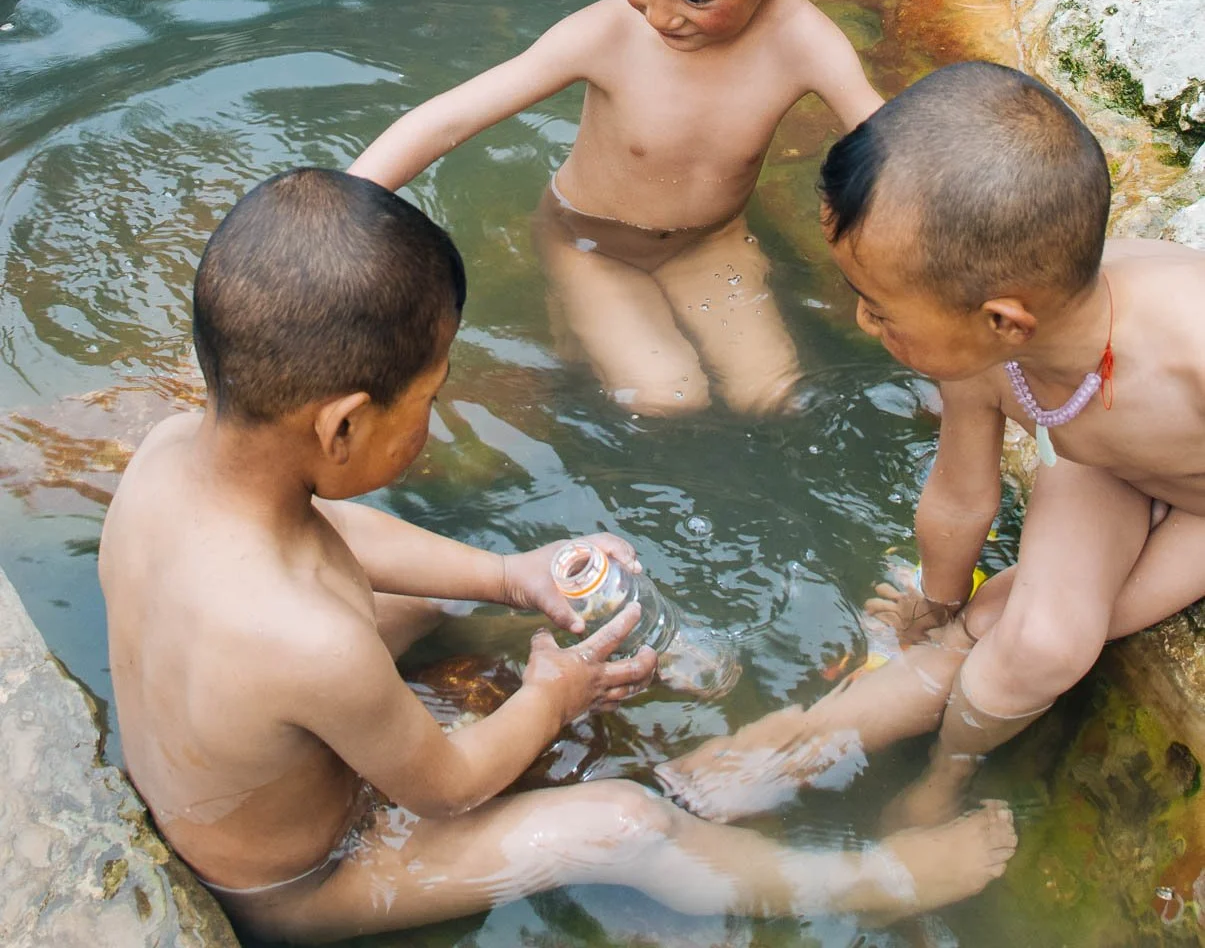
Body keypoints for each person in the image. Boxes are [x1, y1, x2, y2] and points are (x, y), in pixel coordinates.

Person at [99, 164, 1017, 943]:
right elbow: (447, 790)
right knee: (618, 824)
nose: (434, 417)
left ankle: (634, 701)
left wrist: (510, 577)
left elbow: (334, 535)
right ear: (342, 425)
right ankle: (867, 881)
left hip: (237, 773)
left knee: (433, 597)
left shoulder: (168, 457)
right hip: (303, 883)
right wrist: (552, 696)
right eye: (429, 397)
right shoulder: (311, 645)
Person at [656, 62, 1205, 830]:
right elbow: (958, 497)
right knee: (1032, 632)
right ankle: (834, 725)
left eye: (881, 312)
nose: (862, 323)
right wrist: (933, 601)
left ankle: (944, 771)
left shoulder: (1188, 347)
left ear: (1002, 321)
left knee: (1035, 639)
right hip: (1098, 464)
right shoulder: (991, 352)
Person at [351, 0, 882, 416]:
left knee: (770, 392)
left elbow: (888, 142)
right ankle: (572, 329)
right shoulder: (605, 35)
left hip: (709, 242)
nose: (659, 15)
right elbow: (450, 117)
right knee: (667, 398)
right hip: (590, 244)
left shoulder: (801, 42)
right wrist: (346, 200)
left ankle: (593, 340)